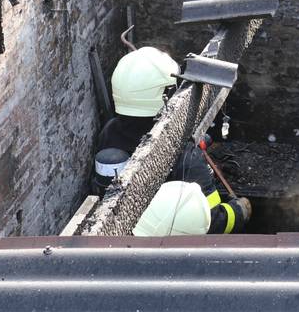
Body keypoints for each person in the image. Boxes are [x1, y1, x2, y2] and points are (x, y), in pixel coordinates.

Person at [93, 45, 250, 234]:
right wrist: (238, 212)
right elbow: (210, 222)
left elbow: (137, 133)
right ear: (166, 94)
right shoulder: (186, 158)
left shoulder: (109, 133)